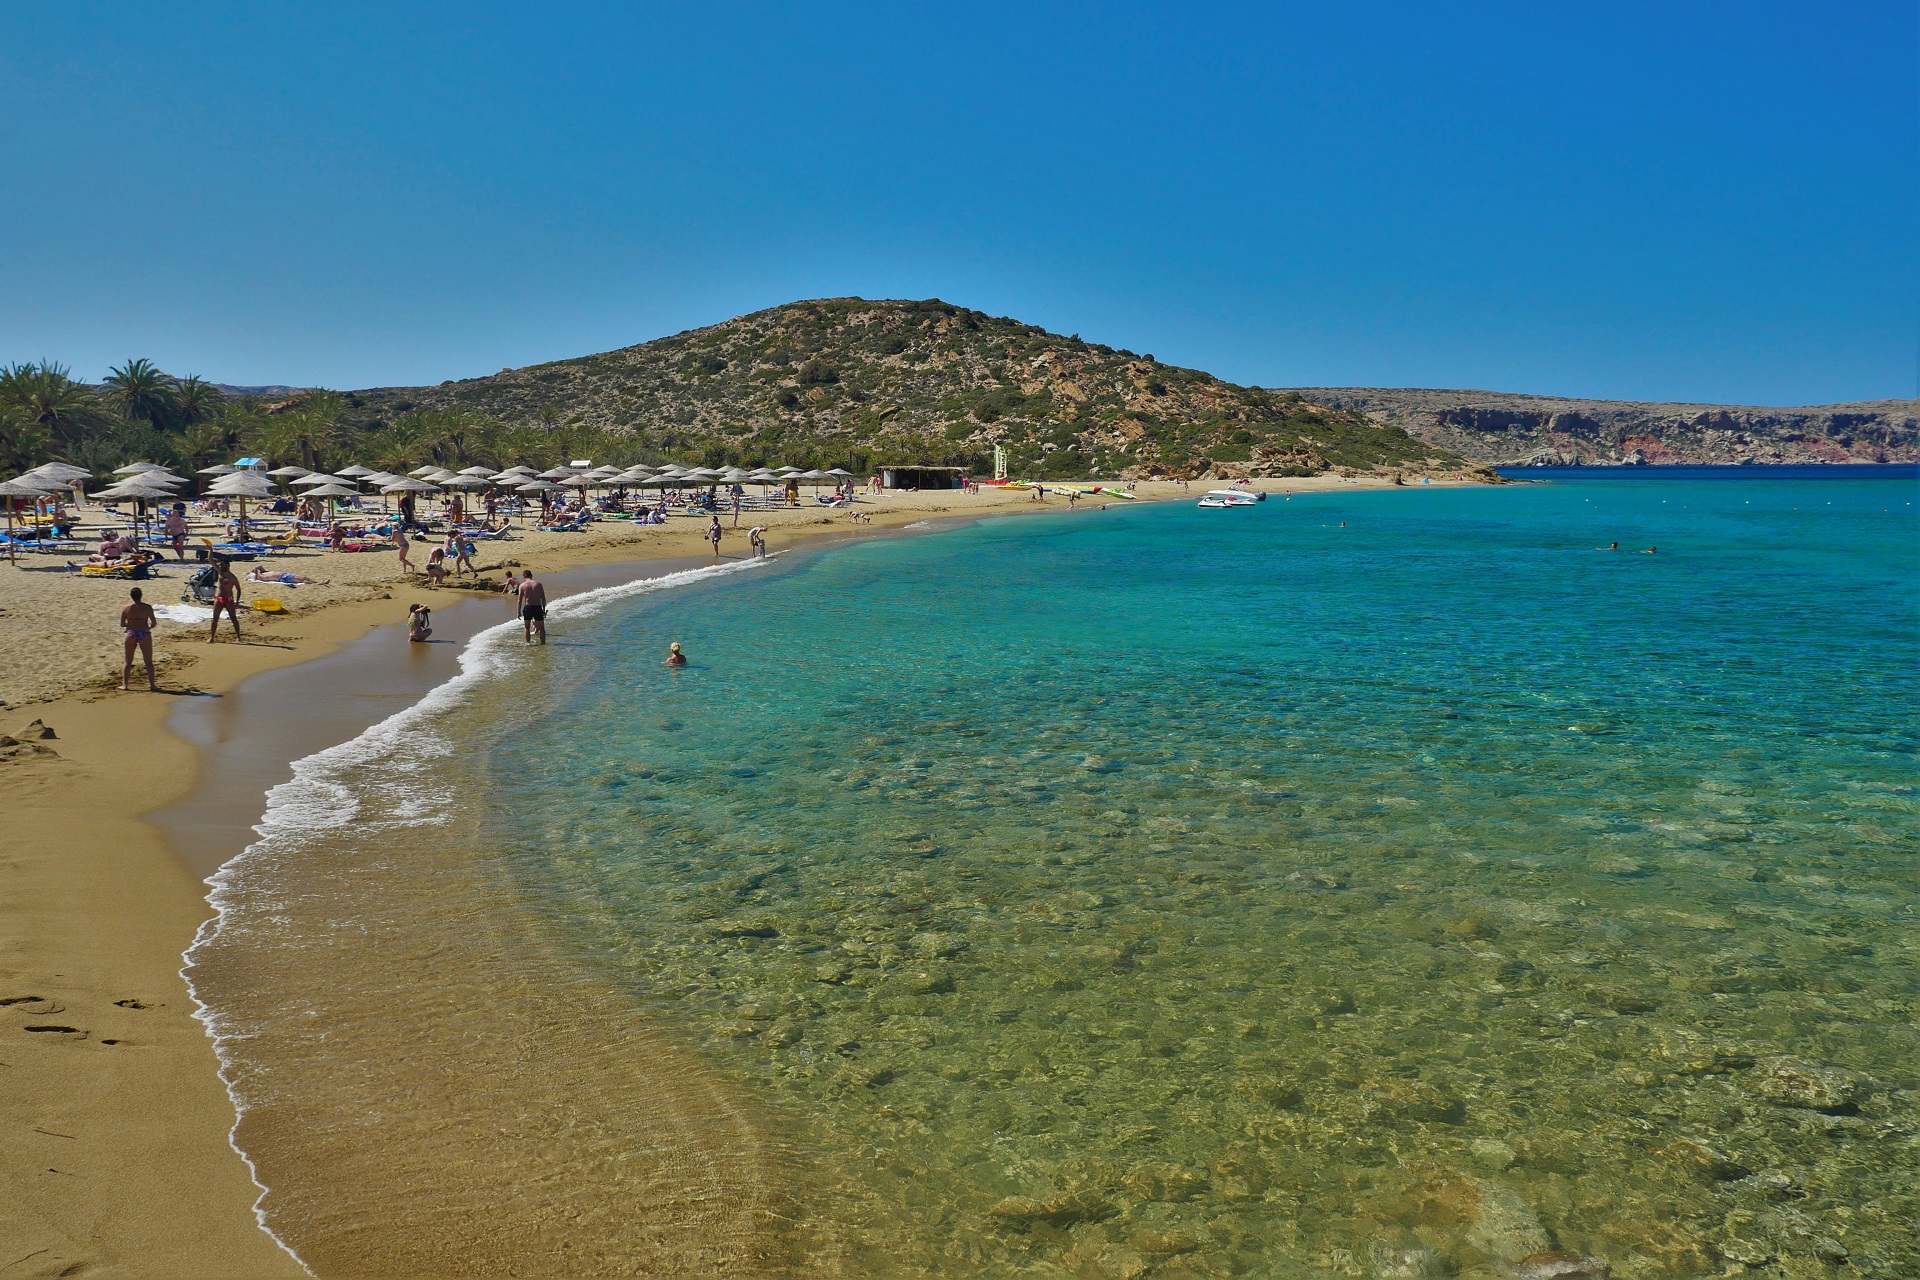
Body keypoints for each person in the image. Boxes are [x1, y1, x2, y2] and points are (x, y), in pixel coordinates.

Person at [120, 586, 157, 691]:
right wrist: (147, 626)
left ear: (131, 596)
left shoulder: (126, 608)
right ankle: (152, 685)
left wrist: (131, 622)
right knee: (148, 661)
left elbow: (122, 624)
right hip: (144, 633)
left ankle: (125, 685)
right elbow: (154, 623)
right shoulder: (148, 607)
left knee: (128, 661)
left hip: (130, 633)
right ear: (141, 596)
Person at [209, 558, 242, 643]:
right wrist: (210, 549)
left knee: (233, 618)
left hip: (229, 600)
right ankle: (212, 637)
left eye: (222, 565)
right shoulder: (220, 573)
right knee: (215, 618)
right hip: (218, 599)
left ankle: (238, 637)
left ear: (228, 565)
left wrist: (237, 602)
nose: (220, 566)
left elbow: (238, 589)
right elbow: (211, 561)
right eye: (220, 565)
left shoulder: (232, 577)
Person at [517, 570, 547, 645]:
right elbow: (543, 598)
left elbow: (519, 600)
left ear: (524, 576)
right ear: (531, 576)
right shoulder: (539, 584)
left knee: (527, 627)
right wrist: (543, 609)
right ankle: (543, 644)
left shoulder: (522, 585)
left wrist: (518, 612)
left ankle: (528, 643)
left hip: (528, 607)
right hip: (537, 607)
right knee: (541, 627)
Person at [249, 565, 329, 585]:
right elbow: (261, 577)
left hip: (286, 574)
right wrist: (256, 571)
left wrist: (256, 568)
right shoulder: (263, 576)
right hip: (284, 578)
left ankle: (317, 582)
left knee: (305, 577)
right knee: (303, 580)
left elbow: (261, 567)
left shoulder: (264, 572)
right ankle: (318, 584)